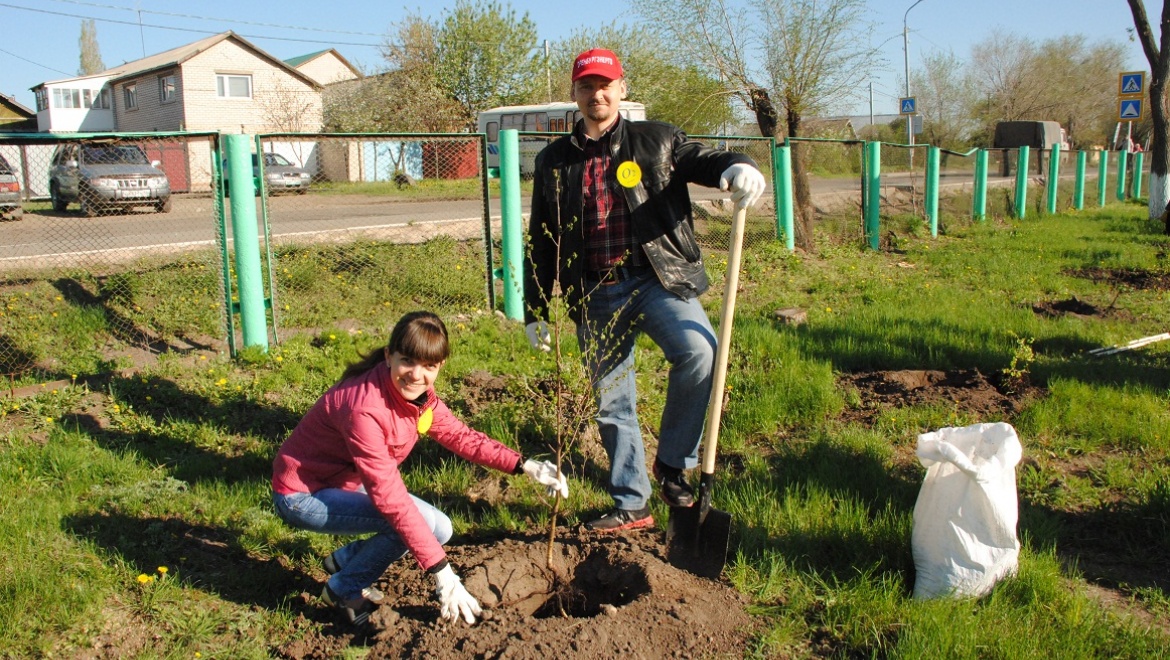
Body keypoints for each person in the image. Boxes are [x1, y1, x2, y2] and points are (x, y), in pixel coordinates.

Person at [522, 49, 766, 533]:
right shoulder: (554, 160)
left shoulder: (657, 138)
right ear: (574, 94)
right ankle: (632, 502)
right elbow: (542, 234)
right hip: (596, 294)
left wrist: (736, 165)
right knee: (613, 401)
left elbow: (702, 158)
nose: (598, 94)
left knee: (701, 352)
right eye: (588, 86)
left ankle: (674, 464)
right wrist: (535, 308)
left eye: (606, 84)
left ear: (622, 88)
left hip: (659, 280)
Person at [272, 311, 569, 625]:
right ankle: (343, 589)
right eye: (407, 361)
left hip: (345, 481)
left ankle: (345, 561)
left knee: (440, 528)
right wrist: (443, 575)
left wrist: (524, 465)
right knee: (408, 527)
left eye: (428, 366)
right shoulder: (365, 409)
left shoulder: (419, 399)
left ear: (440, 365)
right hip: (303, 494)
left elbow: (460, 436)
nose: (416, 374)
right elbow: (390, 498)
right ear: (389, 356)